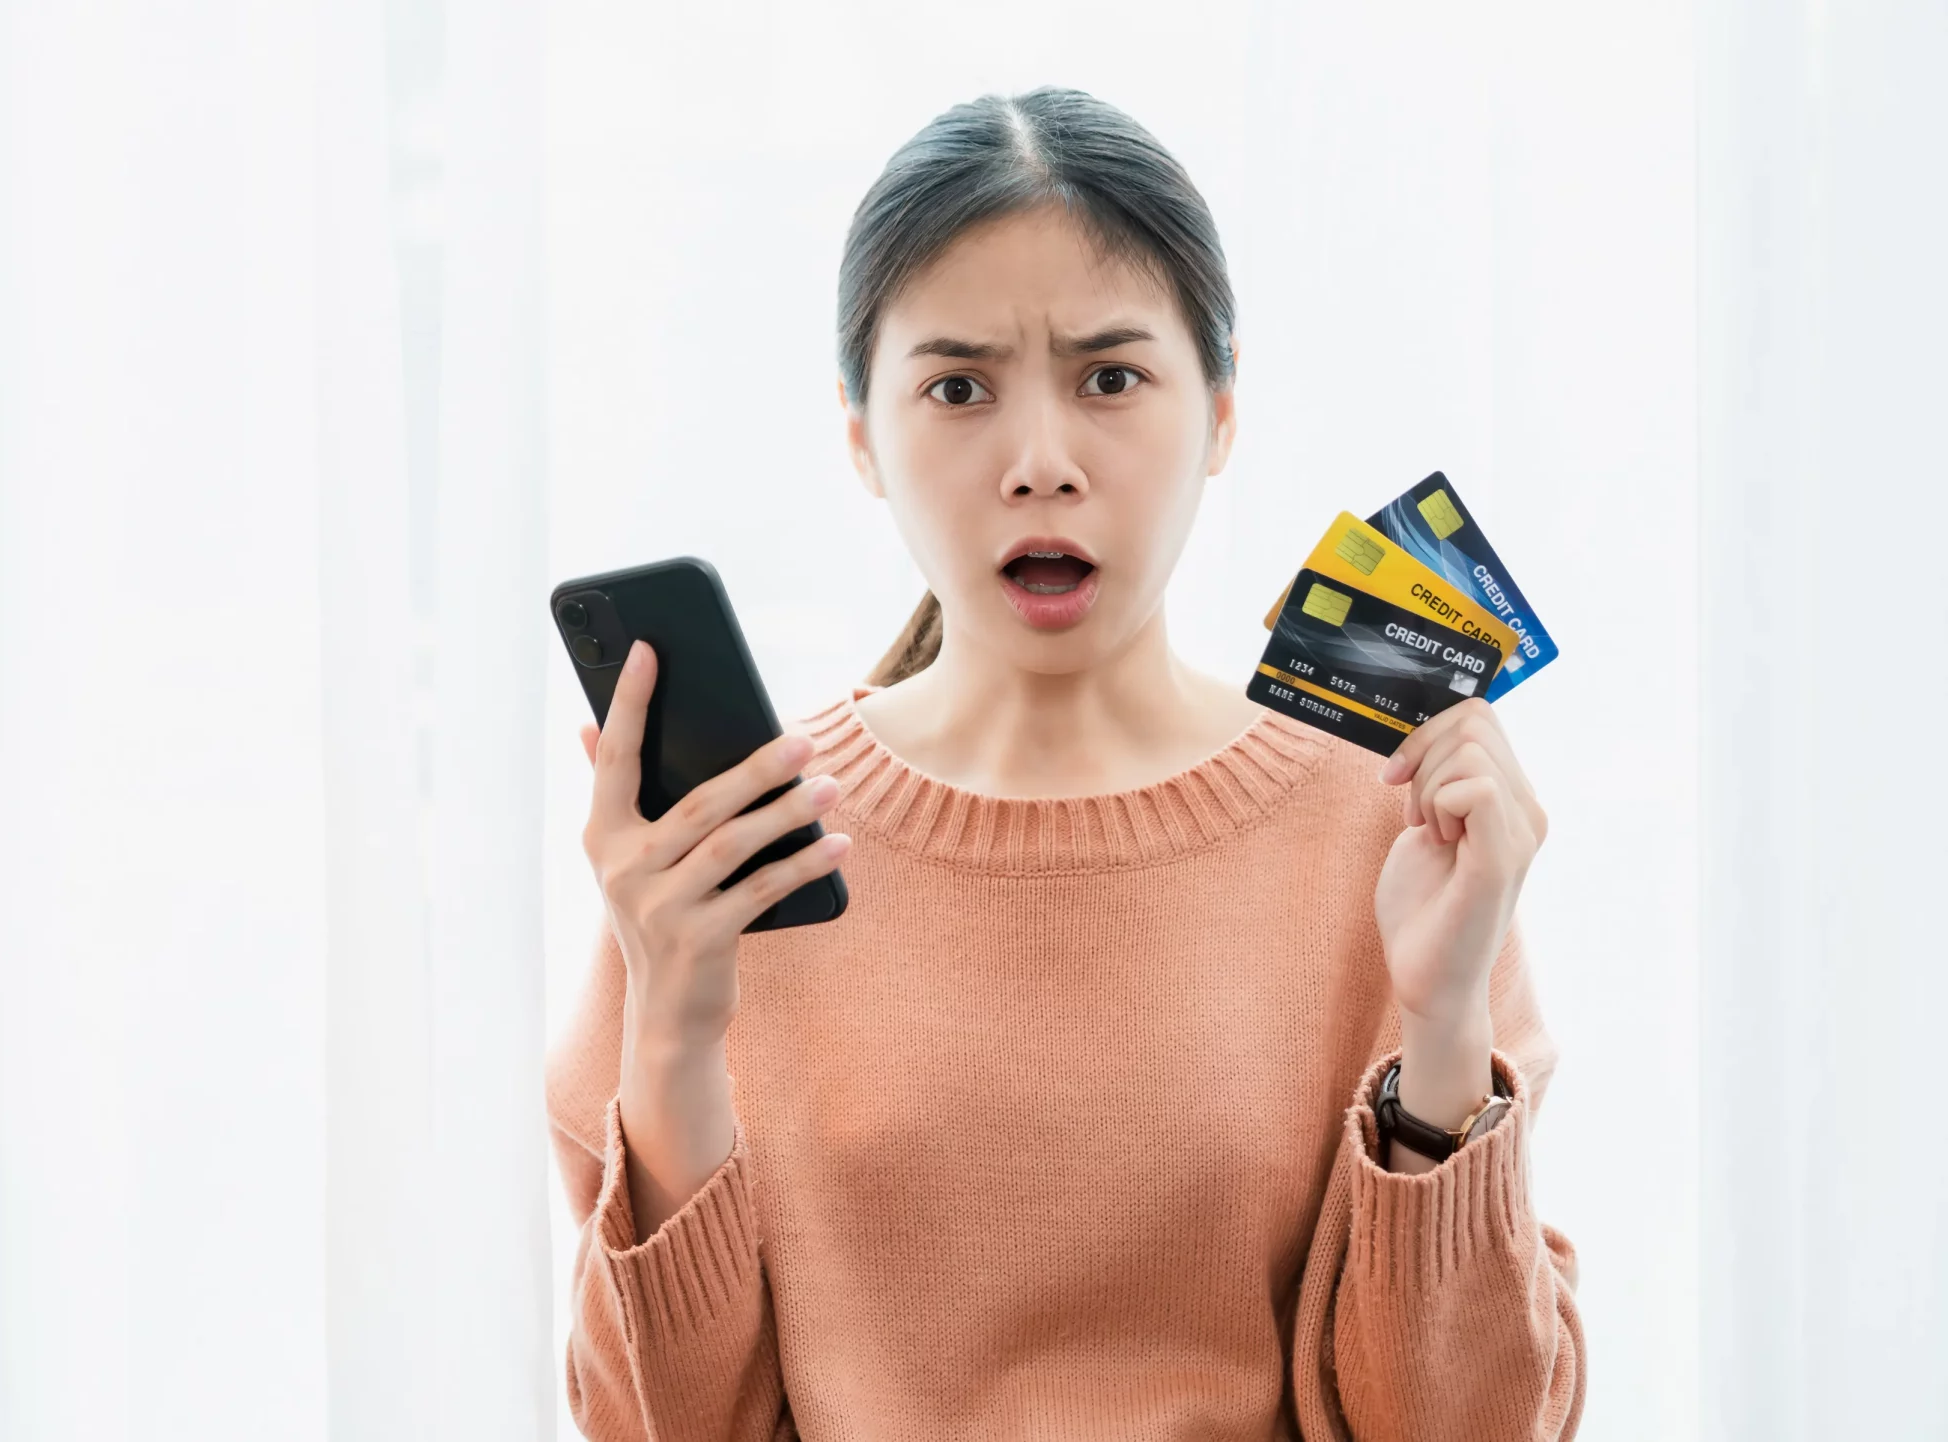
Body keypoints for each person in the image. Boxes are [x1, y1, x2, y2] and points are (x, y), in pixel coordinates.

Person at [545, 87, 1583, 1441]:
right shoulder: (736, 850)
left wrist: (1442, 1036)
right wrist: (672, 1027)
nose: (1041, 463)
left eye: (1110, 376)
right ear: (863, 437)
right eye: (959, 386)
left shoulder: (1383, 826)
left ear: (1218, 416)